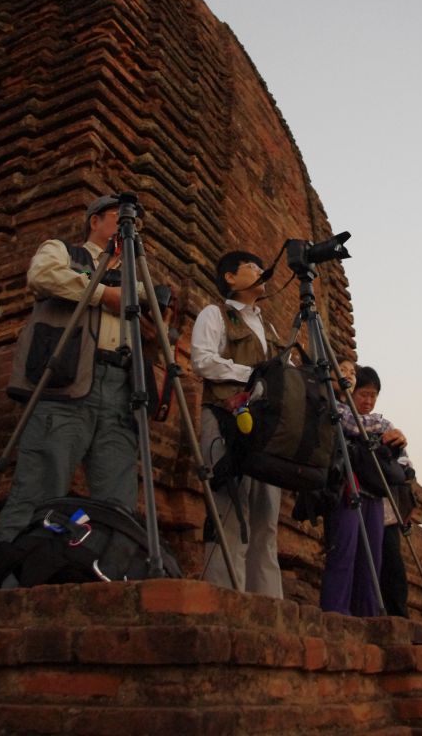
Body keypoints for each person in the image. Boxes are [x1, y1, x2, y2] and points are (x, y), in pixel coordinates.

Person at [0, 195, 141, 552]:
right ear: (95, 220)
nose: (129, 226)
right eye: (119, 217)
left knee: (118, 503)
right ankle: (11, 575)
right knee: (39, 488)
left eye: (135, 223)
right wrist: (104, 294)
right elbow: (42, 276)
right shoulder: (66, 253)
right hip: (67, 380)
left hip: (121, 388)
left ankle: (110, 573)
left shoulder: (137, 275)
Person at [190, 250, 283, 597]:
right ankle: (225, 600)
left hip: (264, 428)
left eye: (260, 266)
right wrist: (254, 376)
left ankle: (268, 607)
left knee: (265, 522)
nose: (260, 271)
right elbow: (202, 360)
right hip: (224, 419)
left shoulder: (269, 328)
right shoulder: (216, 314)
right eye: (251, 266)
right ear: (230, 277)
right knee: (230, 514)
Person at [319, 365, 408, 617]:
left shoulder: (381, 423)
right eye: (363, 394)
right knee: (344, 551)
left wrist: (395, 440)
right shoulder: (337, 408)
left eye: (373, 395)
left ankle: (367, 614)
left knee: (372, 560)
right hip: (347, 488)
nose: (368, 401)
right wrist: (382, 429)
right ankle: (336, 611)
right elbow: (353, 425)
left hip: (375, 494)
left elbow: (404, 459)